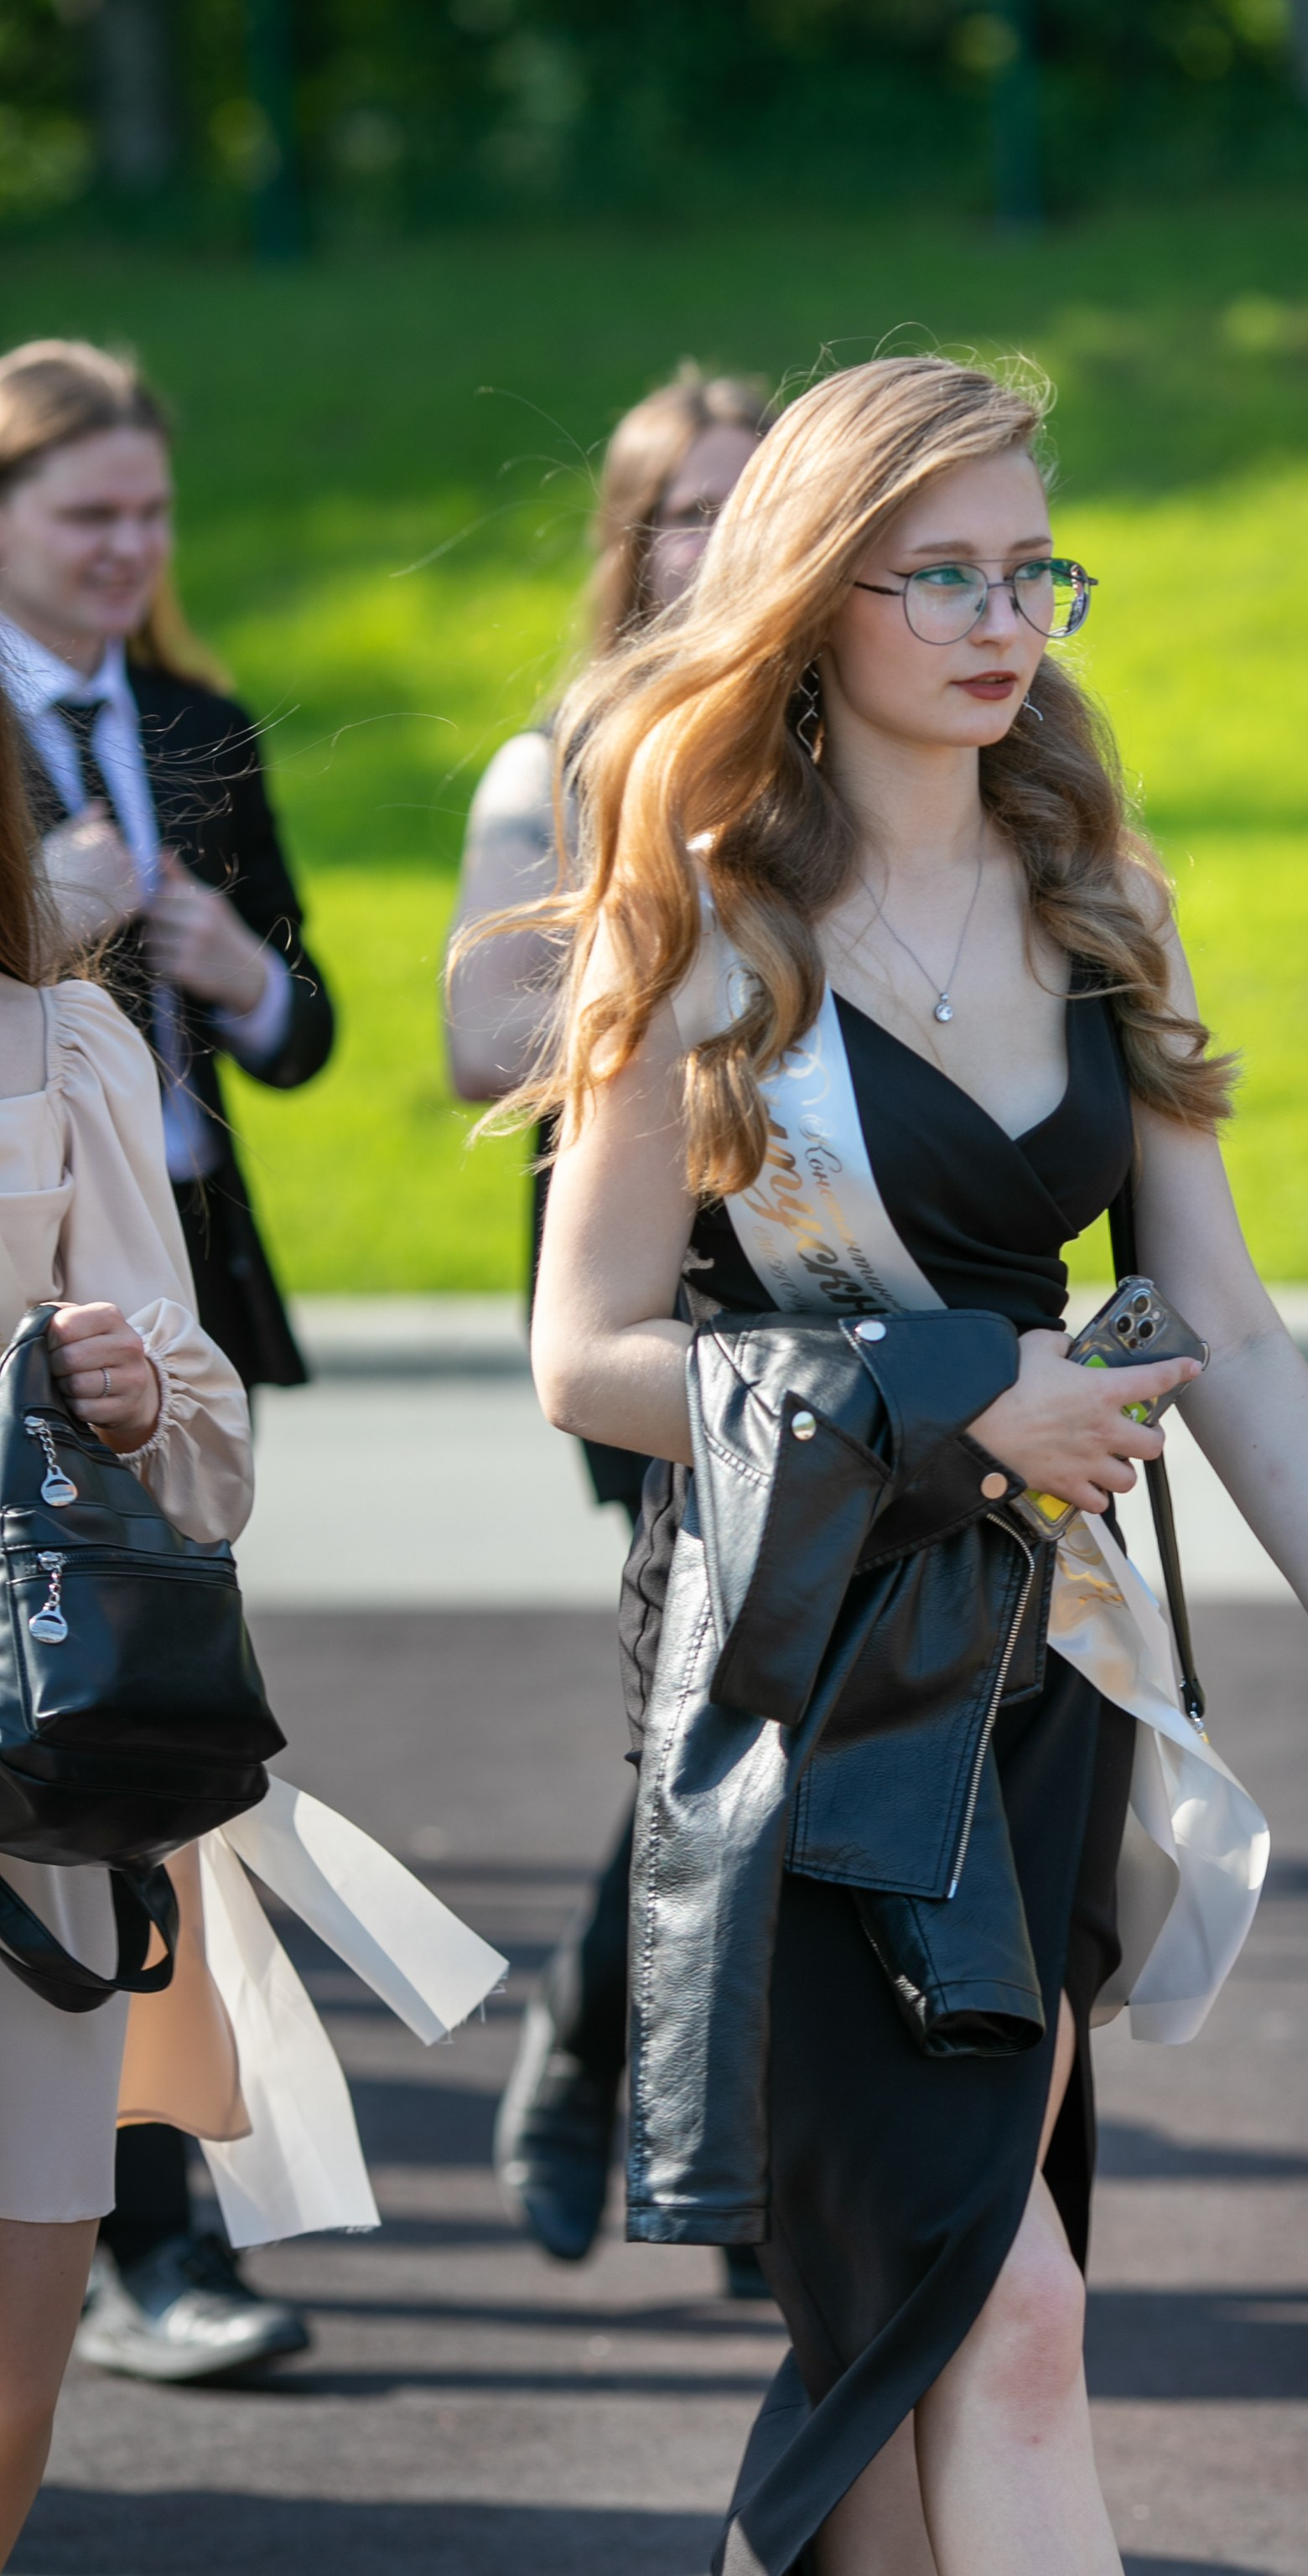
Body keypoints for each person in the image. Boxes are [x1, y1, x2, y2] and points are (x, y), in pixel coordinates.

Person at [518, 352, 1308, 2572]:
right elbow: (582, 1356)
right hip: (807, 1683)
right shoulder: (700, 921)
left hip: (1047, 1667)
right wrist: (944, 1397)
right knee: (985, 2312)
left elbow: (1218, 1317)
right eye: (934, 571)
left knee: (933, 2319)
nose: (997, 618)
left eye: (1031, 566)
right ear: (809, 596)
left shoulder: (1092, 899)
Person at [0, 339, 332, 2382]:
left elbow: (308, 1030)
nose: (130, 551)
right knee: (77, 1748)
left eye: (150, 515)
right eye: (85, 515)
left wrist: (233, 970)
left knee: (153, 1732)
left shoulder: (195, 723)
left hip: (177, 1283)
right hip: (32, 1301)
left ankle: (143, 2210)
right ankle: (145, 2236)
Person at [446, 366, 769, 2278]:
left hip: (844, 1255)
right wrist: (671, 944)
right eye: (685, 507)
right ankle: (617, 2061)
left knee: (752, 1686)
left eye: (751, 500)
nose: (720, 540)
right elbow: (489, 1041)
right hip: (641, 1264)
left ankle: (632, 2062)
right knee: (711, 1685)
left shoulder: (840, 730)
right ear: (627, 539)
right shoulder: (565, 752)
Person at [0, 682, 256, 2560]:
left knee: (12, 2372)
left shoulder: (61, 1041)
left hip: (27, 1802)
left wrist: (138, 1385)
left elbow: (213, 1456)